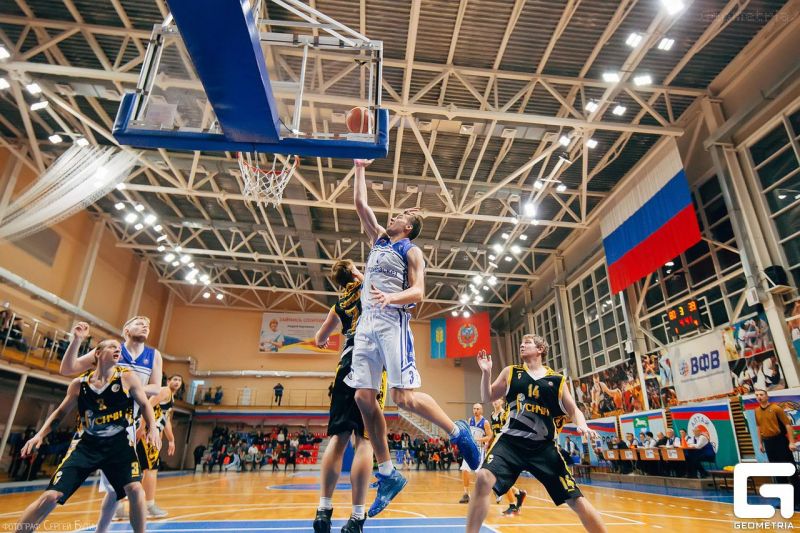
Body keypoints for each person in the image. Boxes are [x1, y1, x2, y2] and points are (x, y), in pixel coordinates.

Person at [345, 159, 481, 517]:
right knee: (362, 397)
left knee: (402, 398)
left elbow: (419, 291)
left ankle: (458, 432)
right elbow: (360, 204)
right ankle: (388, 473)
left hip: (392, 321)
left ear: (407, 228)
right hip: (367, 323)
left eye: (400, 216)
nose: (392, 217)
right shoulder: (378, 239)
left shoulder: (411, 250)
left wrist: (391, 297)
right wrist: (359, 168)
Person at [13, 337, 160, 533]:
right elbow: (60, 413)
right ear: (98, 353)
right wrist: (39, 435)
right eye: (112, 347)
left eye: (119, 348)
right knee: (50, 496)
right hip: (86, 445)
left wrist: (152, 427)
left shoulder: (127, 378)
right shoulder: (79, 384)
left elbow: (144, 404)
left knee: (135, 490)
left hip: (119, 445)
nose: (118, 350)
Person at [468, 335, 607, 533]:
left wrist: (583, 425)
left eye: (527, 343)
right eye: (521, 342)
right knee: (483, 478)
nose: (522, 345)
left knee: (576, 500)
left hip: (543, 448)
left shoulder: (557, 380)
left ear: (540, 349)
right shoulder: (511, 372)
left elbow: (573, 410)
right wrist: (486, 372)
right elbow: (486, 396)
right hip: (510, 443)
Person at [59, 317, 163, 524]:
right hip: (98, 424)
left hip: (128, 425)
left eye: (148, 325)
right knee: (119, 487)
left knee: (117, 488)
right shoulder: (110, 349)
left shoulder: (153, 355)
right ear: (126, 330)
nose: (145, 326)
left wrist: (130, 386)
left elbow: (156, 388)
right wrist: (77, 340)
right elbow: (68, 369)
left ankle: (104, 526)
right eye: (139, 323)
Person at [312, 259, 386, 533]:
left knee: (338, 438)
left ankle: (323, 509)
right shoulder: (368, 290)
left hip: (344, 365)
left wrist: (322, 339)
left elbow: (320, 338)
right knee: (364, 441)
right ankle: (356, 517)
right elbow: (375, 289)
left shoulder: (338, 305)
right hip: (370, 363)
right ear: (354, 272)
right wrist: (359, 273)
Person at [136, 374, 182, 517]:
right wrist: (142, 427)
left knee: (147, 469)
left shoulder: (171, 398)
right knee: (150, 469)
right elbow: (147, 404)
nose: (177, 382)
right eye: (175, 379)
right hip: (147, 433)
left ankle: (139, 504)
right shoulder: (164, 391)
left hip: (152, 434)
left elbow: (165, 420)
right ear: (168, 381)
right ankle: (148, 505)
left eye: (179, 380)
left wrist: (171, 440)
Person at [753, 388, 800, 508]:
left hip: (780, 441)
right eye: (757, 395)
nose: (759, 397)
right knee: (778, 472)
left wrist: (791, 442)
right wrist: (760, 443)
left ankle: (798, 500)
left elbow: (787, 425)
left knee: (790, 470)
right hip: (768, 443)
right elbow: (759, 427)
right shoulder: (756, 411)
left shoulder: (776, 408)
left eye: (761, 394)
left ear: (767, 396)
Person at [489, 399, 527, 515]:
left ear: (502, 401)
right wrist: (489, 444)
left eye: (497, 400)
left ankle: (512, 505)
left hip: (504, 446)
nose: (495, 402)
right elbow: (494, 432)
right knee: (496, 476)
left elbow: (507, 431)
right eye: (494, 400)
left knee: (500, 476)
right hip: (496, 446)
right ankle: (518, 493)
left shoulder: (504, 414)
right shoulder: (492, 415)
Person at [459, 403, 493, 504]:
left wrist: (478, 439)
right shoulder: (470, 420)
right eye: (474, 409)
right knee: (465, 470)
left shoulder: (485, 422)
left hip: (479, 449)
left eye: (478, 409)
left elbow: (490, 436)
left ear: (481, 410)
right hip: (470, 449)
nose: (476, 410)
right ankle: (466, 494)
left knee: (479, 474)